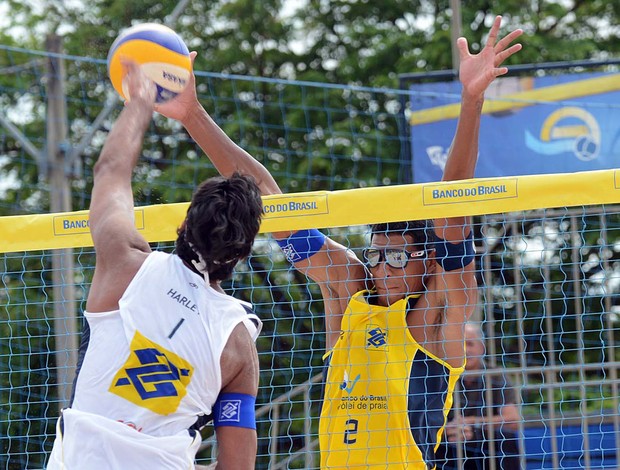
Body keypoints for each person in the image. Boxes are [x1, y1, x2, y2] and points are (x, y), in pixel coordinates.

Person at [158, 14, 523, 469]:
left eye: (395, 256)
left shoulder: (440, 317)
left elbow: (452, 210)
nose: (381, 267)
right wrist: (191, 113)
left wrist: (471, 100)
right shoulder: (349, 292)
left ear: (426, 262)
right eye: (375, 254)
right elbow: (272, 202)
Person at [46, 60, 264, 469]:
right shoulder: (238, 344)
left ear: (183, 224)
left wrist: (140, 101)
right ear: (240, 255)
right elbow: (237, 466)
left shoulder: (125, 264)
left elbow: (110, 170)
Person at [437, 323, 521, 470]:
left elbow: (513, 420)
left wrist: (472, 424)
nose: (465, 350)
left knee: (506, 438)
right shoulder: (441, 376)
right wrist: (450, 430)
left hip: (484, 441)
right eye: (460, 344)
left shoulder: (495, 375)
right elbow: (424, 420)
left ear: (482, 347)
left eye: (470, 344)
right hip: (449, 440)